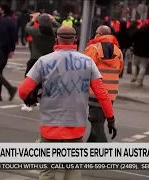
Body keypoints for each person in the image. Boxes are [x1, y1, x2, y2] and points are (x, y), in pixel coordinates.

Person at [18, 25, 117, 180]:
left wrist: (31, 98)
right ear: (75, 40)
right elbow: (102, 94)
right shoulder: (87, 62)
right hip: (76, 126)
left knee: (47, 171)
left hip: (49, 125)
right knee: (72, 169)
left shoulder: (43, 61)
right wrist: (110, 119)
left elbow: (23, 90)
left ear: (56, 39)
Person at [84, 25, 123, 142]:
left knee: (97, 124)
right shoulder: (118, 51)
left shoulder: (93, 49)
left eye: (96, 33)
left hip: (94, 92)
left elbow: (84, 69)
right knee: (97, 124)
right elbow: (120, 70)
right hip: (110, 94)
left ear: (99, 35)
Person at [21, 12, 60, 111]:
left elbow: (27, 27)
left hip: (35, 58)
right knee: (45, 82)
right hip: (48, 60)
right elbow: (61, 27)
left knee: (30, 81)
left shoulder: (35, 31)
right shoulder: (54, 31)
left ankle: (29, 102)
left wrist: (33, 19)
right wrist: (54, 20)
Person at [131, 22, 149, 87]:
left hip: (136, 51)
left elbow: (132, 38)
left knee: (134, 65)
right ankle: (140, 81)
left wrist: (134, 44)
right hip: (145, 53)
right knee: (143, 67)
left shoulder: (137, 32)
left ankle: (134, 76)